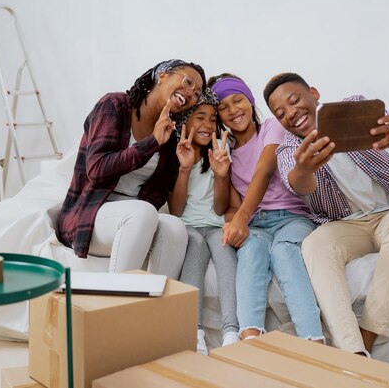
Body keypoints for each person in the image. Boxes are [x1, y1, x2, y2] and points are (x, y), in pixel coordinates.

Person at [265, 72, 389, 355]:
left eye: (295, 101)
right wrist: (305, 168)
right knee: (314, 245)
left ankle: (368, 332)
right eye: (280, 113)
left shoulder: (355, 110)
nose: (291, 114)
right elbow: (297, 182)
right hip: (345, 225)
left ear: (314, 93)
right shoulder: (290, 148)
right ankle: (352, 350)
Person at [56, 59, 206, 279]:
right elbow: (96, 170)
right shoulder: (115, 105)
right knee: (143, 212)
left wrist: (182, 167)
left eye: (196, 95)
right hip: (90, 212)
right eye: (188, 82)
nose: (190, 94)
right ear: (162, 76)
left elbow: (162, 200)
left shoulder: (171, 136)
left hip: (134, 219)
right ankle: (118, 305)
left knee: (174, 227)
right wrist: (151, 142)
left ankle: (155, 310)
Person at [209, 74, 324, 343]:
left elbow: (264, 169)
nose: (233, 110)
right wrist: (221, 175)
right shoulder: (228, 152)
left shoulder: (271, 128)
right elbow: (226, 207)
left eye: (238, 100)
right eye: (223, 107)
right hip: (258, 224)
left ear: (249, 101)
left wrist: (241, 218)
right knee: (250, 251)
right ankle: (250, 338)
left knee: (284, 251)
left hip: (292, 217)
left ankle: (314, 340)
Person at [168, 89, 240, 354]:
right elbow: (175, 210)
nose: (208, 125)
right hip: (187, 226)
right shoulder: (175, 158)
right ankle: (194, 333)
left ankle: (231, 331)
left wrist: (222, 174)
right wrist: (185, 169)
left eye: (212, 119)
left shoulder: (218, 155)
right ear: (184, 123)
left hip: (214, 223)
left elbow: (221, 207)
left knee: (223, 248)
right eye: (200, 117)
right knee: (196, 243)